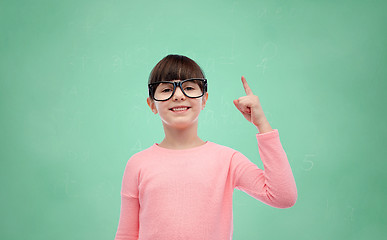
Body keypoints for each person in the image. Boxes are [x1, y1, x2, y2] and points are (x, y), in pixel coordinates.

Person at [114, 54, 297, 240]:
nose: (178, 95)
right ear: (152, 104)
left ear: (204, 99)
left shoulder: (228, 160)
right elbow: (127, 234)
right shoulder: (137, 164)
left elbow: (283, 197)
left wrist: (262, 125)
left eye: (189, 88)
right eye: (167, 89)